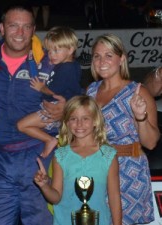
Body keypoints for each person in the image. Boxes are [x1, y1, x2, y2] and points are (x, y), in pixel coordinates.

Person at [0, 5, 65, 225]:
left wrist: (67, 106)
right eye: (14, 26)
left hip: (42, 155)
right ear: (2, 28)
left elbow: (77, 99)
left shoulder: (49, 61)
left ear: (33, 30)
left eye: (26, 27)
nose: (20, 33)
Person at [86, 33, 160, 225]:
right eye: (97, 56)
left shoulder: (137, 92)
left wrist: (140, 117)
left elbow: (151, 143)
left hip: (128, 173)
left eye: (109, 55)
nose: (102, 61)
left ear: (122, 59)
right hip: (96, 170)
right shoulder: (91, 91)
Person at [34, 95, 122, 225]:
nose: (79, 124)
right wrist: (44, 186)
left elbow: (114, 197)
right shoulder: (61, 155)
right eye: (73, 119)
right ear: (67, 122)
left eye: (85, 118)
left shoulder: (108, 155)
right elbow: (56, 198)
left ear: (95, 121)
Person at [17, 26, 82, 158]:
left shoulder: (66, 69)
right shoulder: (72, 65)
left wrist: (41, 88)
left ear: (70, 49)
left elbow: (53, 91)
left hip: (54, 109)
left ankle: (49, 140)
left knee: (22, 125)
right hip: (62, 108)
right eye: (50, 51)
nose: (51, 55)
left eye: (56, 50)